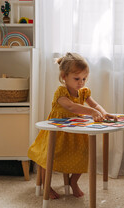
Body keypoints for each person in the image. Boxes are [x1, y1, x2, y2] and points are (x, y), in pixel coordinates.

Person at [28, 52, 117, 199]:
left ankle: (73, 181)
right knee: (47, 158)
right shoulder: (61, 92)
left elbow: (95, 104)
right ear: (64, 77)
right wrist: (91, 111)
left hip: (75, 132)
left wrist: (104, 113)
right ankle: (46, 185)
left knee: (84, 155)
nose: (81, 82)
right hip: (57, 132)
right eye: (77, 79)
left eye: (84, 78)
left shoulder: (83, 92)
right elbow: (71, 107)